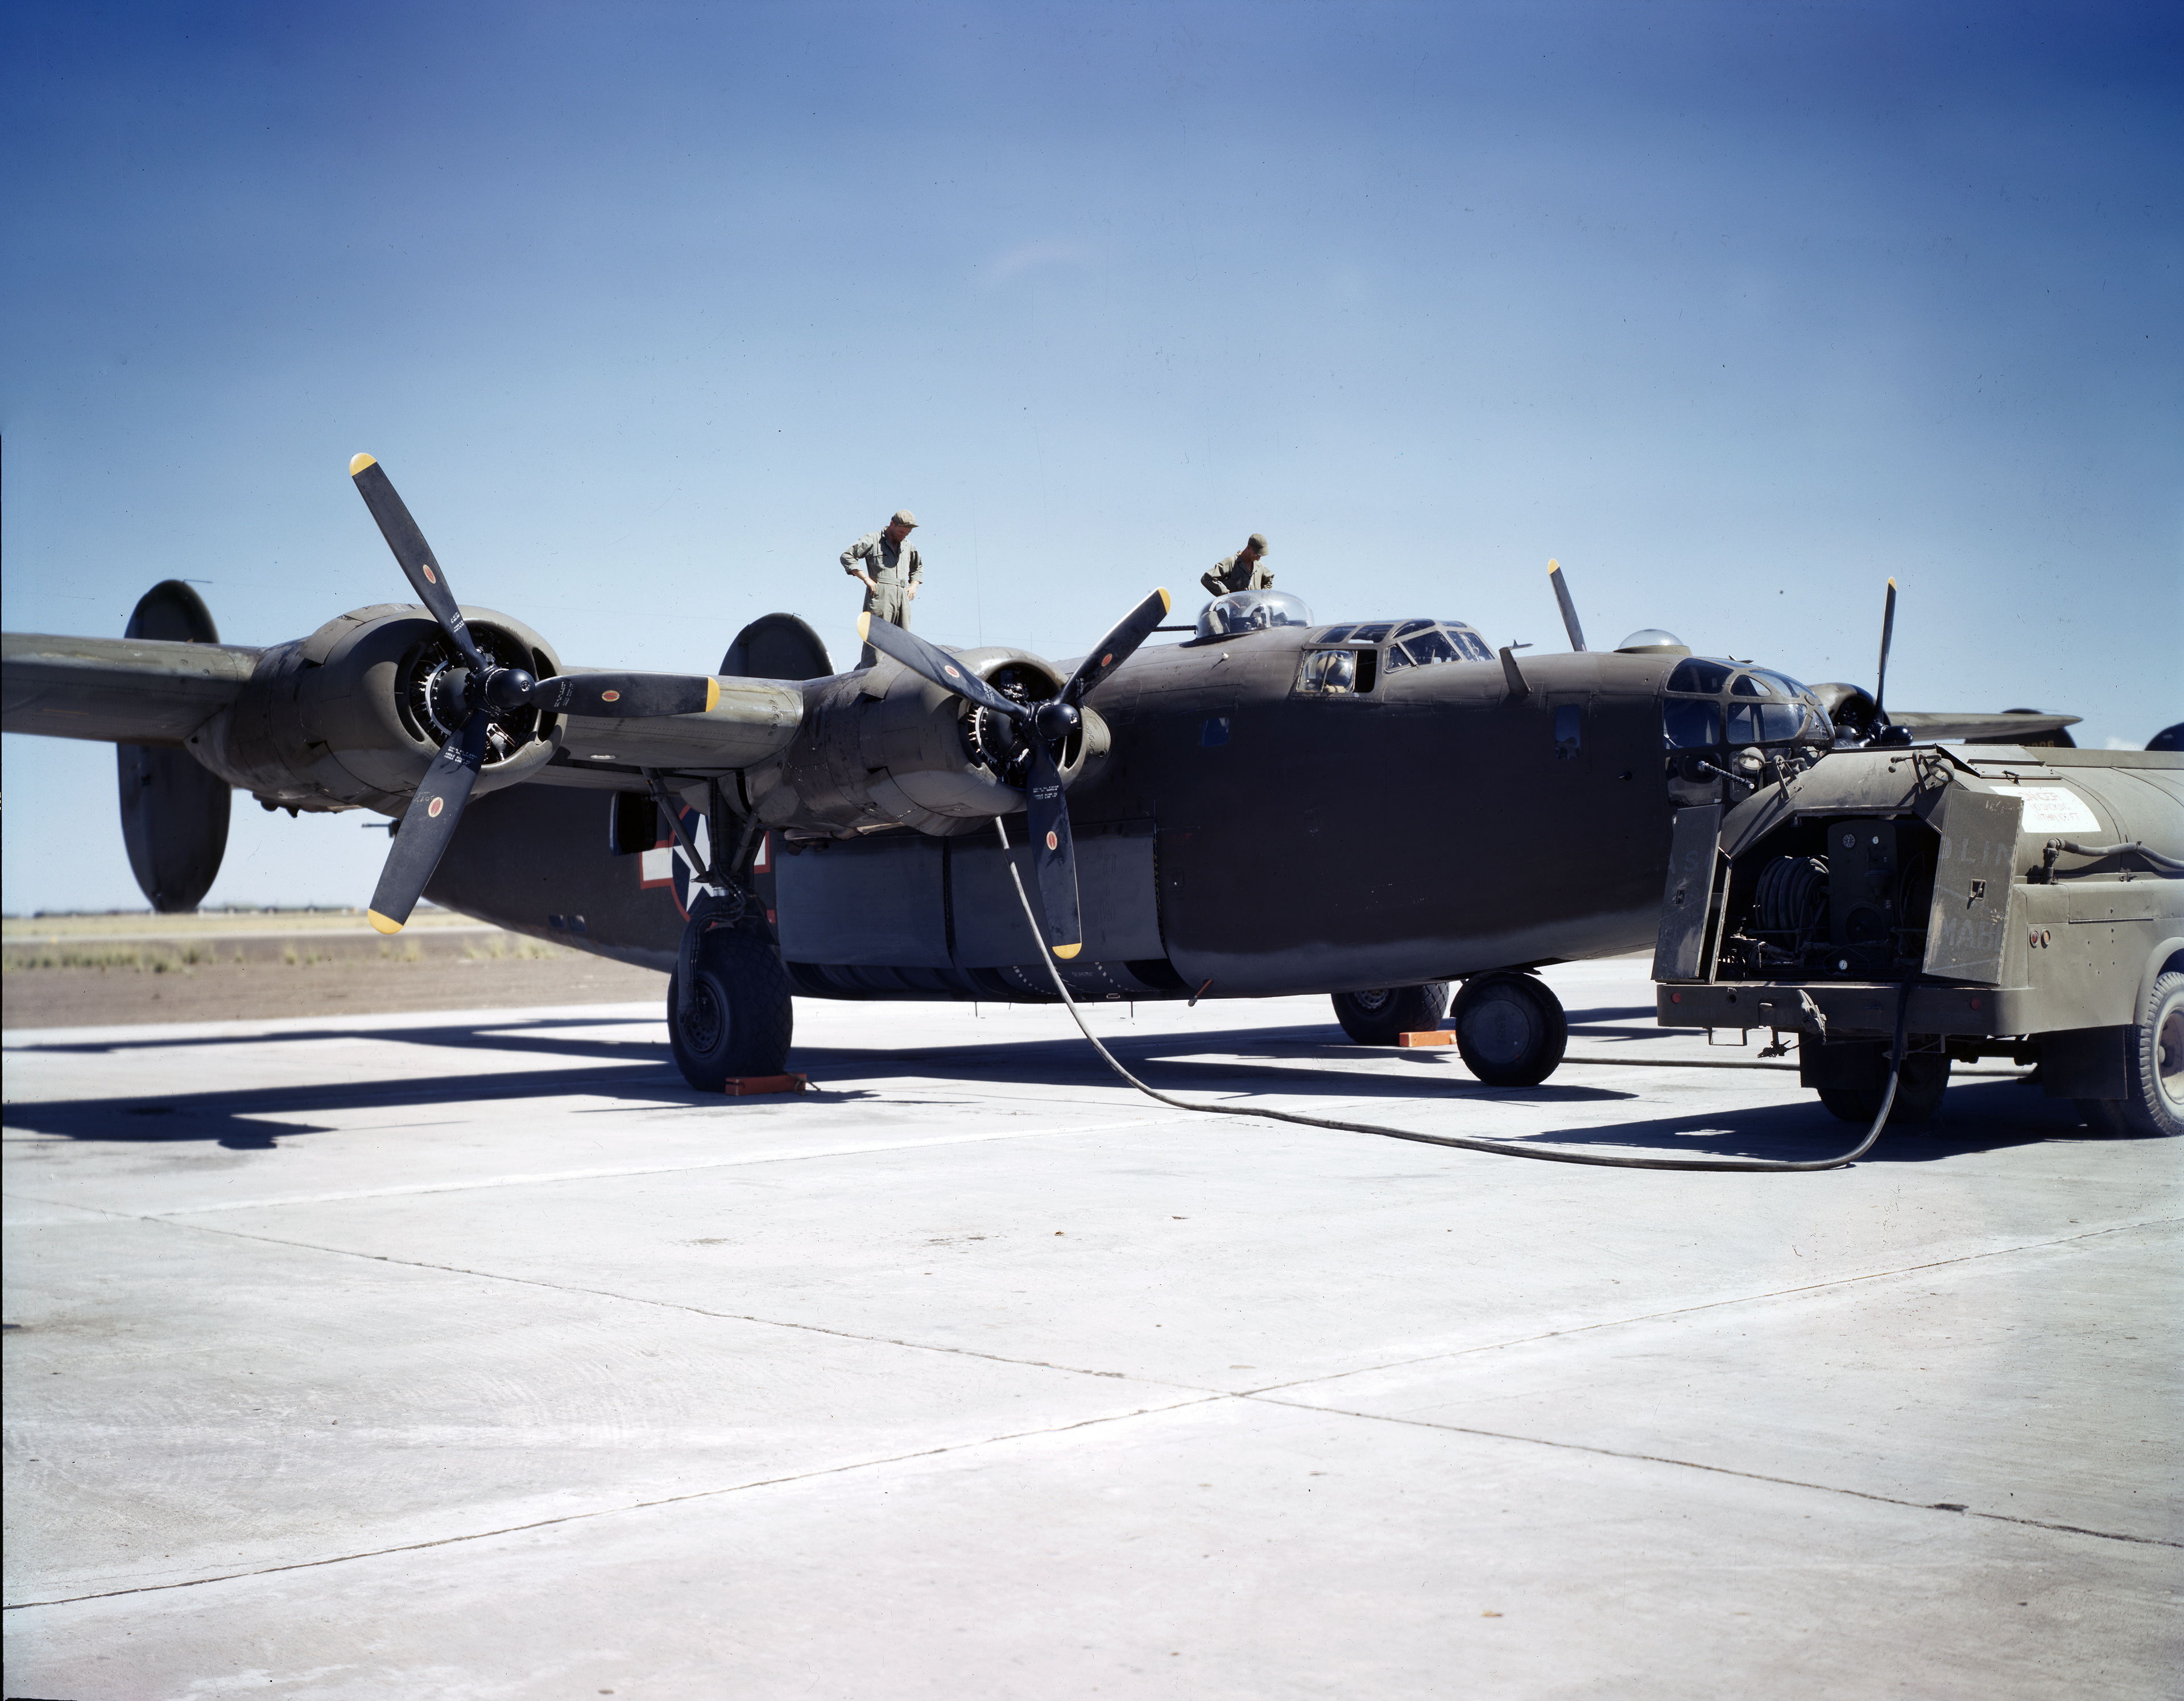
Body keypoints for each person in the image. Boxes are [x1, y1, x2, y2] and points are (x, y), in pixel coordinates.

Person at [842, 510, 924, 668]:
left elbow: (918, 567)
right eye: (901, 532)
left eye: (907, 533)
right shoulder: (873, 539)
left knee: (903, 642)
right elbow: (847, 556)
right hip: (880, 594)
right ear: (892, 524)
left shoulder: (908, 546)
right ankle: (869, 678)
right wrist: (867, 580)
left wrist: (914, 585)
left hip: (903, 595)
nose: (903, 536)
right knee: (877, 641)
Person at [1201, 532, 1273, 597]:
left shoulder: (1260, 566)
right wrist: (1227, 596)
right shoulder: (1231, 563)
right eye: (1257, 554)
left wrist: (1264, 597)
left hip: (1257, 610)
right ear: (1249, 548)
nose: (1259, 557)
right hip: (1238, 611)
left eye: (1261, 555)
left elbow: (1268, 581)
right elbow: (1207, 579)